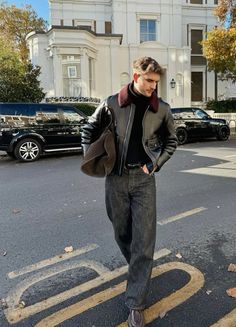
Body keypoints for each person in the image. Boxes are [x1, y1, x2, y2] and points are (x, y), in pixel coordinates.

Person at [81, 56, 177, 327]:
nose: (152, 88)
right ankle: (140, 269)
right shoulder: (112, 103)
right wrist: (90, 158)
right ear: (135, 76)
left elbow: (172, 141)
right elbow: (88, 129)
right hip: (116, 179)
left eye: (156, 83)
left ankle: (135, 303)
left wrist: (155, 163)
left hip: (144, 180)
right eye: (149, 81)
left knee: (144, 241)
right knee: (122, 233)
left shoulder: (162, 109)